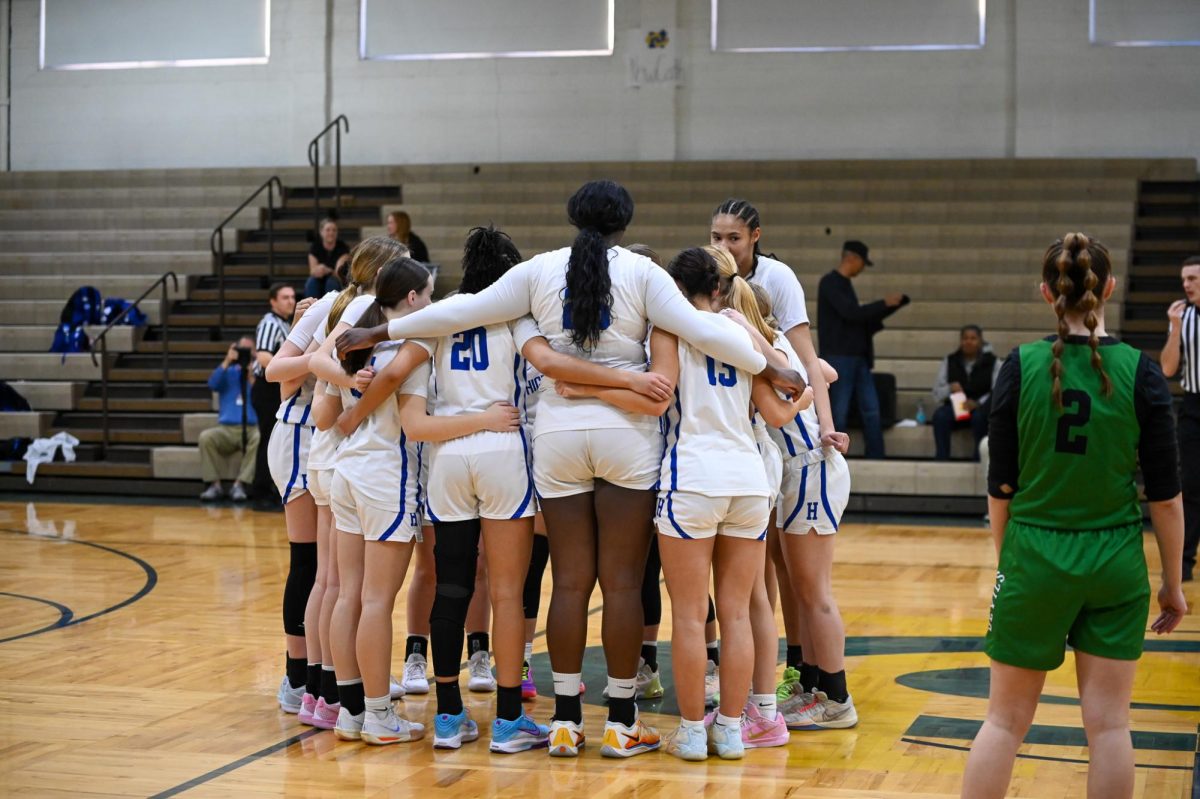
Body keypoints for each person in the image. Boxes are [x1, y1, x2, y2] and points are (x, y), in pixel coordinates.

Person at [337, 180, 806, 759]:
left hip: (558, 431)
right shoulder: (642, 272)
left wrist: (379, 330)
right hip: (628, 432)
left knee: (570, 584)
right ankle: (621, 722)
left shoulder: (538, 270)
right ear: (625, 222)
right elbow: (705, 329)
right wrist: (772, 368)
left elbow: (458, 308)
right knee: (624, 584)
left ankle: (562, 722)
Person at [960, 233, 1187, 799]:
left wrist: (1011, 561)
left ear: (1045, 294)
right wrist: (1174, 584)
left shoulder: (1019, 365)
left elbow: (1000, 487)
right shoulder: (1142, 372)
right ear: (1109, 288)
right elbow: (1165, 496)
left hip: (1034, 554)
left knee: (1004, 722)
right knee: (1110, 726)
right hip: (1114, 559)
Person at [337, 226, 549, 753]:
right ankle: (506, 722)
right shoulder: (515, 316)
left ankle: (449, 717)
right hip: (501, 447)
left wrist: (354, 407)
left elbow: (396, 374)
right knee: (504, 591)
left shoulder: (439, 317)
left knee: (450, 586)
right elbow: (545, 365)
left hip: (447, 458)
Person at [634, 248, 805, 761]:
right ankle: (731, 729)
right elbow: (778, 413)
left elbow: (656, 398)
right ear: (722, 290)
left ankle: (691, 731)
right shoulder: (738, 333)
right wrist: (814, 391)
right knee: (736, 614)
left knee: (689, 616)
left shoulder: (668, 331)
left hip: (693, 477)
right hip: (749, 482)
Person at [266, 236, 407, 729]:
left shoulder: (357, 308)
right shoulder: (342, 306)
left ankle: (328, 689)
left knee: (332, 578)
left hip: (328, 441)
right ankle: (313, 685)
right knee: (323, 574)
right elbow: (283, 375)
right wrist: (347, 382)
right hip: (310, 437)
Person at [816, 240, 909, 458]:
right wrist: (883, 304)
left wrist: (887, 308)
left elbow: (857, 320)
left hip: (857, 358)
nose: (862, 268)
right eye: (862, 263)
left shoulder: (844, 284)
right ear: (852, 258)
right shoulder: (830, 283)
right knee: (839, 411)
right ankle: (832, 457)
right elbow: (851, 313)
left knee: (871, 410)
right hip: (840, 358)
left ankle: (876, 456)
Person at [1160, 255, 1200, 582]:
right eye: (1184, 279)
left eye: (1193, 279)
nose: (1186, 285)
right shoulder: (1182, 317)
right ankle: (1185, 560)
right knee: (1189, 483)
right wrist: (1174, 329)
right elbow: (1168, 368)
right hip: (1194, 407)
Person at [251, 283, 296, 511]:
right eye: (285, 297)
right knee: (268, 439)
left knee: (275, 439)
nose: (291, 301)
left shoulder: (284, 323)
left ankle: (269, 487)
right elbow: (263, 357)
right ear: (273, 301)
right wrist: (289, 371)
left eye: (292, 297)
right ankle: (260, 491)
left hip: (275, 386)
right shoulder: (270, 322)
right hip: (267, 388)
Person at [198, 336, 259, 502]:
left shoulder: (257, 374)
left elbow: (259, 396)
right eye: (242, 349)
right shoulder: (228, 372)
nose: (245, 353)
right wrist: (227, 359)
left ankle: (240, 484)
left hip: (250, 428)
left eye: (249, 349)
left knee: (259, 438)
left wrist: (251, 375)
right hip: (226, 429)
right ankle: (214, 485)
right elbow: (213, 384)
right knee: (206, 437)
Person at [930, 325, 999, 461]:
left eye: (973, 338)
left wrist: (978, 403)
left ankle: (979, 459)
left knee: (980, 418)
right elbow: (936, 393)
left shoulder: (993, 362)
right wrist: (949, 388)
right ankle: (941, 459)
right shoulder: (949, 360)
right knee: (940, 416)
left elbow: (997, 391)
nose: (968, 342)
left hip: (980, 408)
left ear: (980, 341)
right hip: (956, 408)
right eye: (965, 338)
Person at [307, 218, 350, 299]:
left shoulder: (343, 248)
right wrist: (318, 270)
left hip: (336, 280)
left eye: (334, 230)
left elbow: (339, 273)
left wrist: (328, 270)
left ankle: (332, 310)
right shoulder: (315, 247)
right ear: (321, 232)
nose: (331, 233)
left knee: (331, 282)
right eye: (328, 230)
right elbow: (312, 271)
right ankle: (311, 309)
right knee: (311, 282)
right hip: (320, 280)